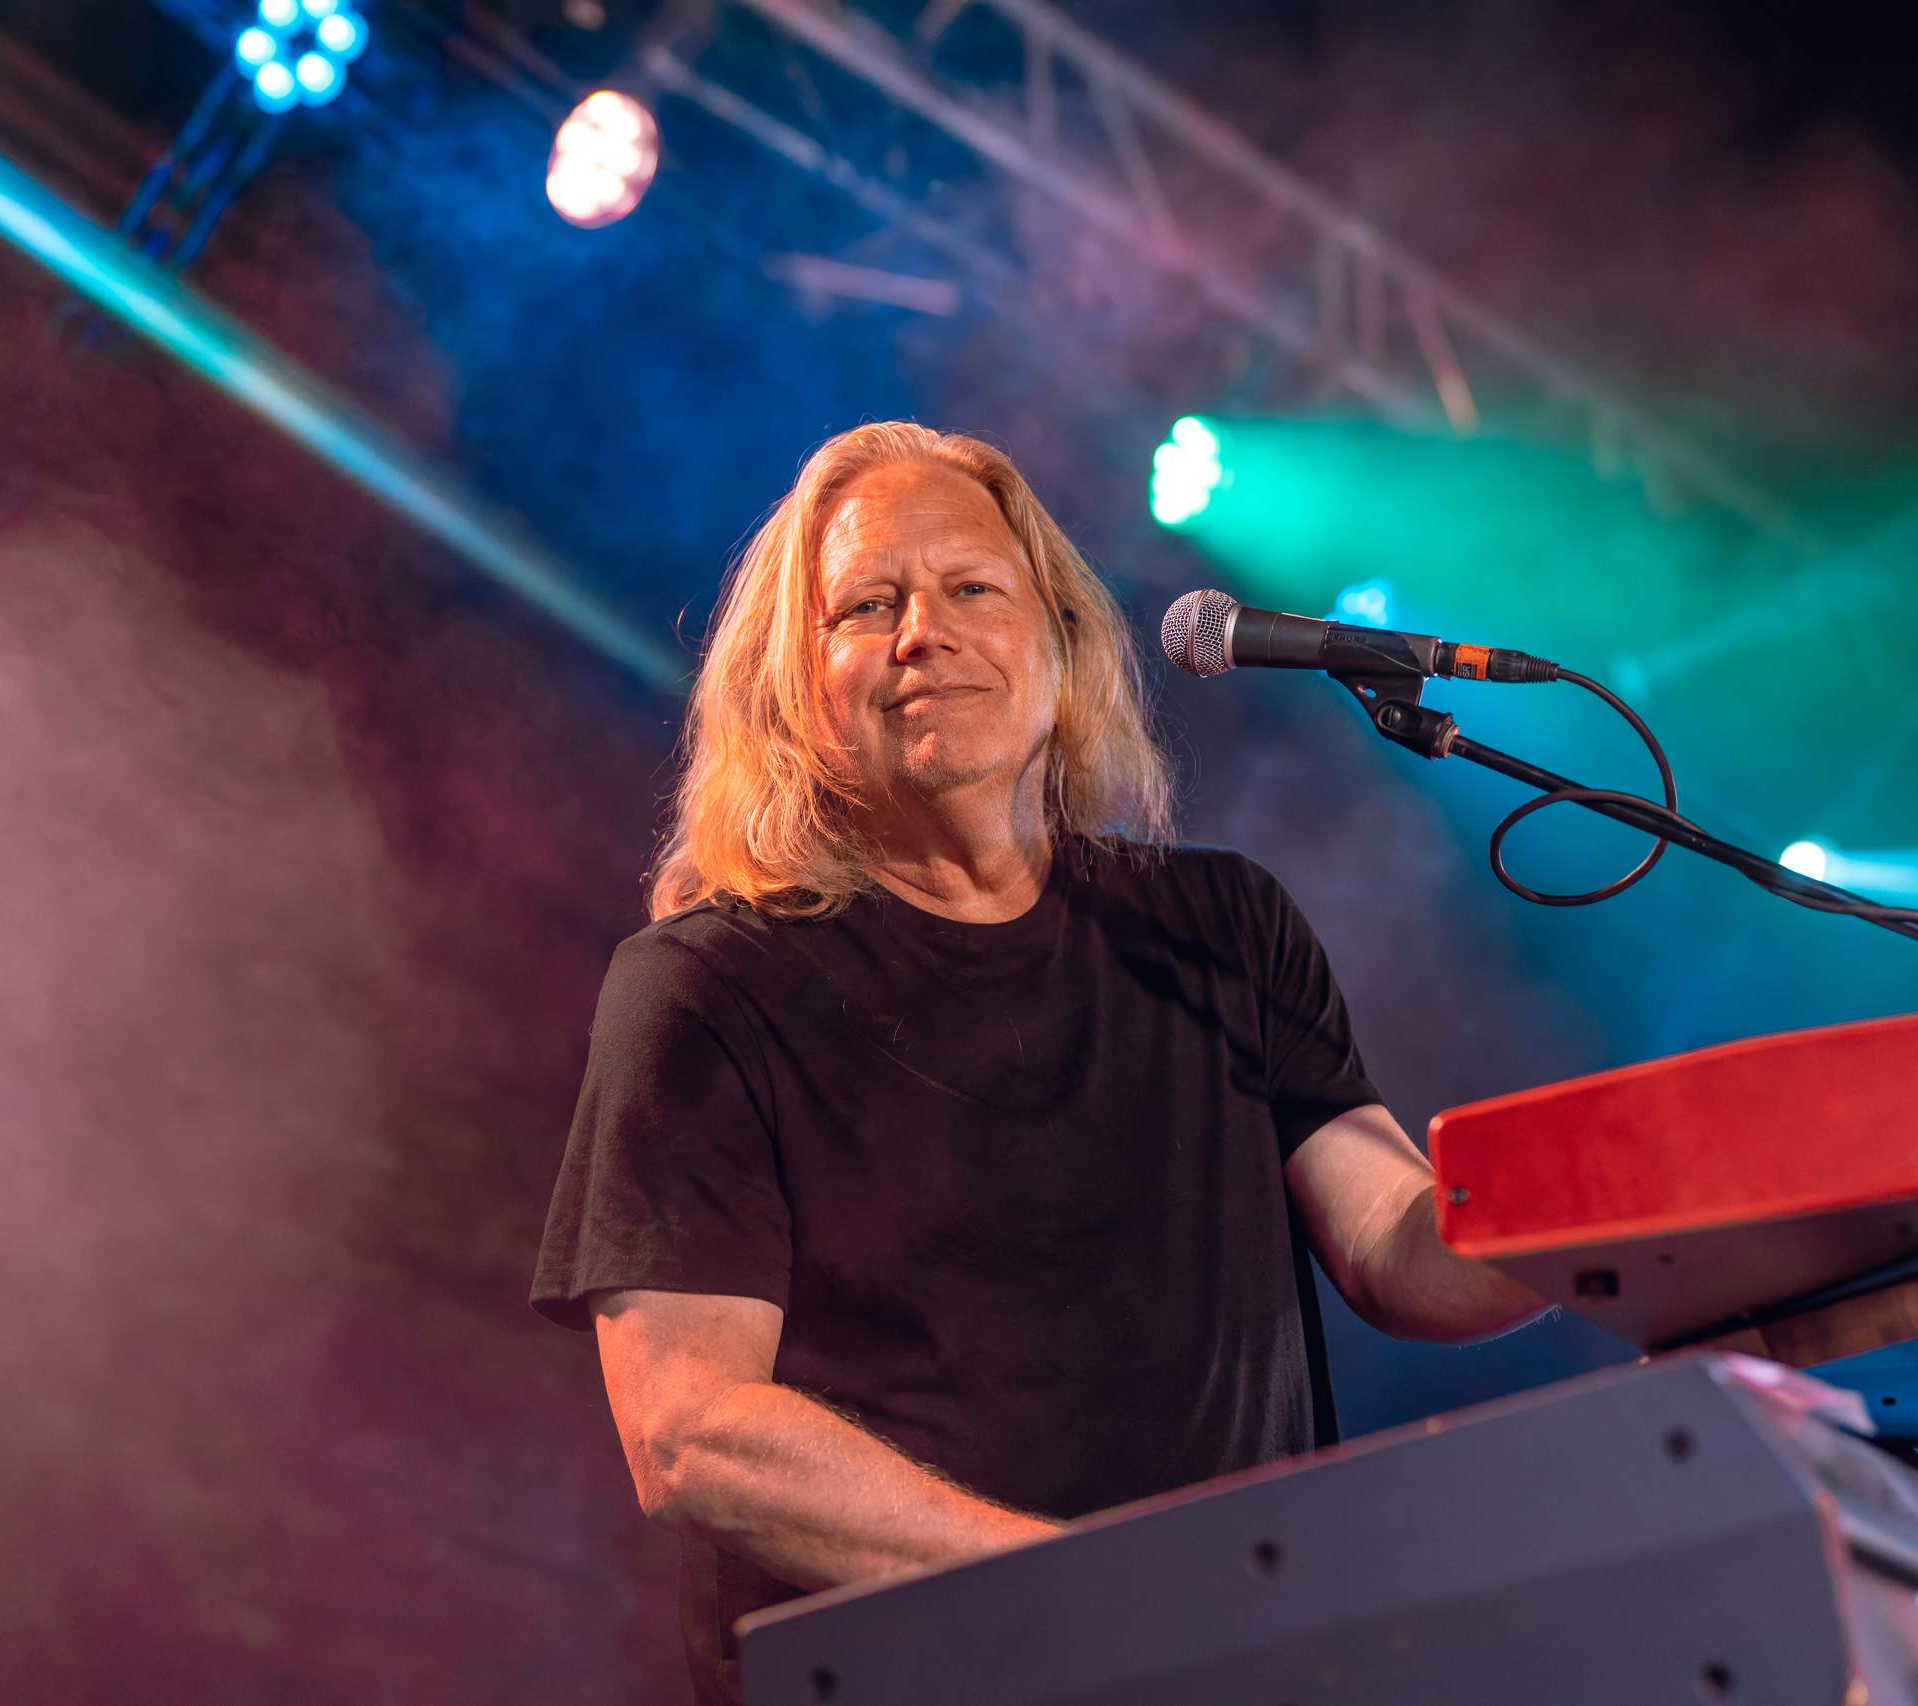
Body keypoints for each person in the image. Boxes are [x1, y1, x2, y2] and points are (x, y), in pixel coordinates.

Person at [530, 422, 1545, 1705]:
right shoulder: (706, 983)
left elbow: (1403, 1247)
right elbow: (692, 1431)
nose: (922, 633)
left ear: (1061, 648)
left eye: (970, 589)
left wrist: (1628, 1206)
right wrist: (1090, 1591)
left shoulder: (1221, 924)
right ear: (791, 685)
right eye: (866, 605)